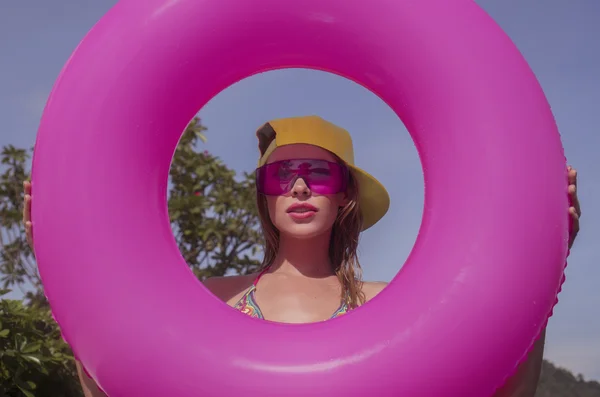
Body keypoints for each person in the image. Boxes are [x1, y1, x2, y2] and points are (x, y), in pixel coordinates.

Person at [22, 115, 581, 397]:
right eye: (280, 174)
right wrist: (67, 276)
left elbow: (504, 391)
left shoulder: (393, 306)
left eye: (318, 172)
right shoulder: (207, 298)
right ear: (265, 194)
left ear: (344, 197)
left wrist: (543, 268)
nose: (297, 187)